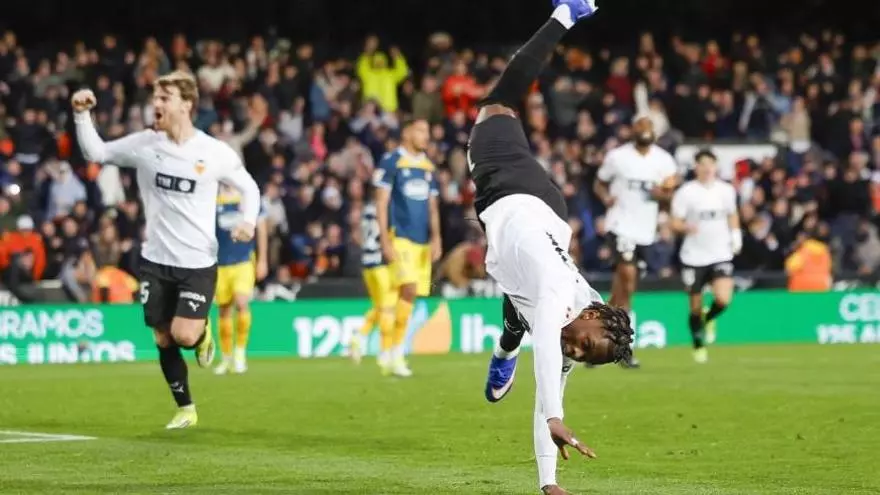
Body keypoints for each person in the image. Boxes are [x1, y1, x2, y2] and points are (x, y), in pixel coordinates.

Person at [471, 2, 634, 493]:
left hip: (537, 227)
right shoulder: (560, 296)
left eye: (583, 355)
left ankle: (506, 342)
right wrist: (556, 416)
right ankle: (564, 14)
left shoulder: (578, 325)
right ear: (593, 315)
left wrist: (549, 484)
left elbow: (549, 396)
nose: (575, 350)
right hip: (515, 191)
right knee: (497, 105)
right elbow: (548, 355)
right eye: (585, 343)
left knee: (520, 300)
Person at [72, 70, 261, 429]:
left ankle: (203, 333)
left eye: (164, 98)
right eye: (155, 97)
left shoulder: (212, 151)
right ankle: (186, 408)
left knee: (184, 335)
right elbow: (96, 152)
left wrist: (248, 221)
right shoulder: (146, 144)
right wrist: (82, 115)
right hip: (156, 260)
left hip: (197, 261)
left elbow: (249, 187)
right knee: (162, 336)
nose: (155, 104)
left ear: (186, 104)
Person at [593, 116, 679, 369]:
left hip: (646, 231)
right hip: (621, 226)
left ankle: (597, 335)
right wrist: (606, 197)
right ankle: (623, 346)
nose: (644, 134)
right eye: (640, 129)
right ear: (633, 132)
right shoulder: (618, 157)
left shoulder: (664, 160)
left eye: (648, 130)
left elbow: (669, 193)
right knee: (628, 279)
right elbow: (599, 183)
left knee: (622, 288)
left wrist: (662, 194)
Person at [374, 118, 442, 377]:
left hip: (421, 242)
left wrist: (436, 237)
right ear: (406, 133)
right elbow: (381, 202)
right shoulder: (391, 161)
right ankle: (395, 352)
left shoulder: (427, 166)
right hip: (400, 237)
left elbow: (432, 206)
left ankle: (392, 350)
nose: (426, 136)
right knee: (409, 288)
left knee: (408, 296)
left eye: (427, 131)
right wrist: (384, 239)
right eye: (421, 130)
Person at [669, 150, 741, 363]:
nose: (708, 168)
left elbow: (732, 214)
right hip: (694, 256)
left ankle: (709, 318)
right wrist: (685, 227)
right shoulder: (686, 192)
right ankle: (698, 345)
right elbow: (674, 222)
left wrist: (736, 235)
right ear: (696, 167)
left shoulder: (726, 190)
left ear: (716, 166)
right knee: (695, 307)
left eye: (711, 164)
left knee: (723, 299)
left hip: (720, 253)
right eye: (703, 164)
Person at [213, 183, 269, 375]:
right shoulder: (213, 198)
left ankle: (240, 353)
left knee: (241, 303)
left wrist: (262, 260)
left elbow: (261, 228)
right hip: (220, 262)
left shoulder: (248, 196)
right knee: (224, 309)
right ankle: (226, 357)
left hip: (244, 260)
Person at [349, 200, 397, 365]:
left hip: (367, 263)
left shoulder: (368, 208)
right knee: (387, 308)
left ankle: (358, 337)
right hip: (381, 264)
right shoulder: (386, 207)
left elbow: (359, 235)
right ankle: (385, 351)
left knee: (379, 307)